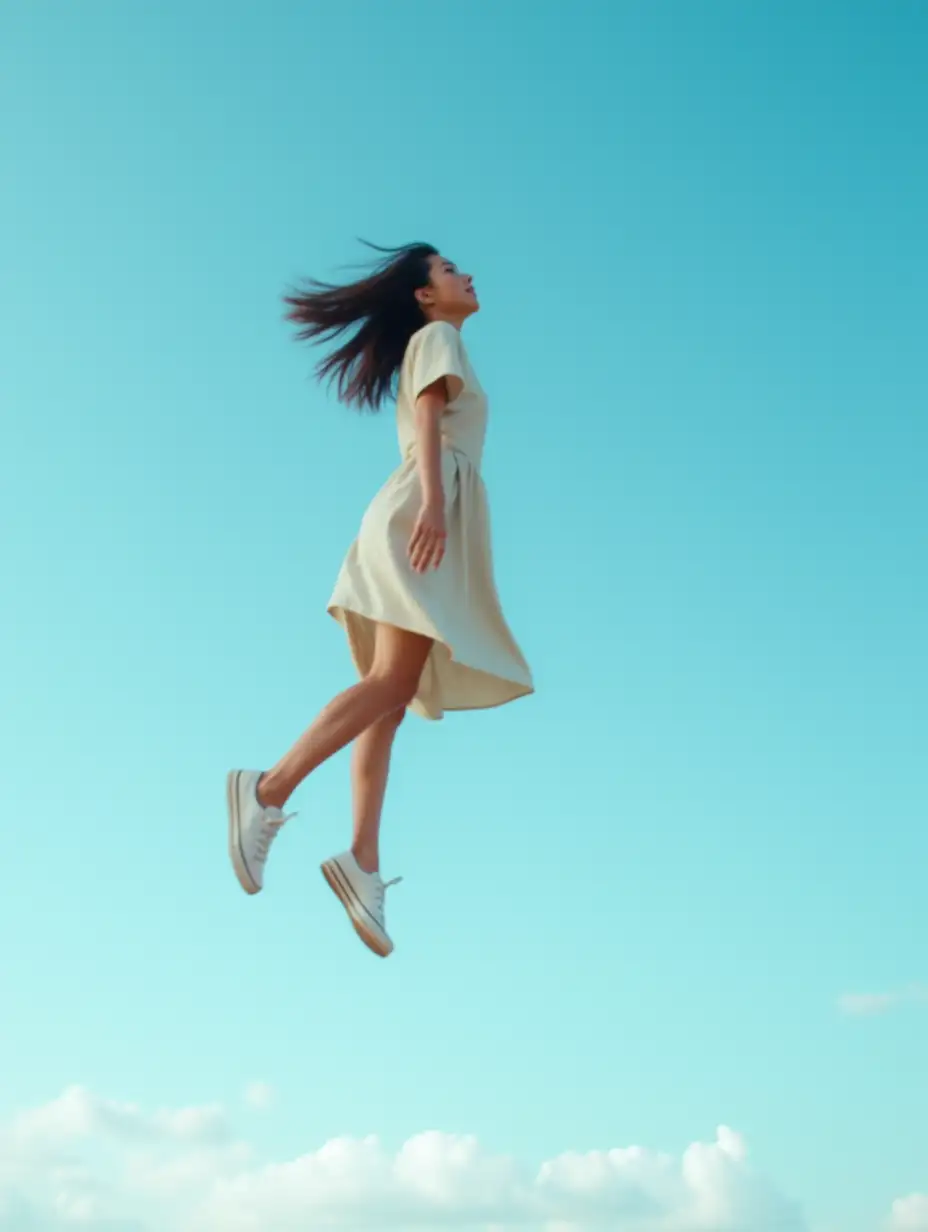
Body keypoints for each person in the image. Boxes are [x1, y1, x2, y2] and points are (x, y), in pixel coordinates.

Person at [226, 242, 534, 958]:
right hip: (422, 513)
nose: (468, 273)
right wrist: (431, 504)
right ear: (426, 296)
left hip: (433, 511)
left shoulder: (441, 337)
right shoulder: (437, 338)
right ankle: (266, 790)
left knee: (390, 701)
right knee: (389, 683)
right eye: (450, 270)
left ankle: (362, 861)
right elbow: (428, 416)